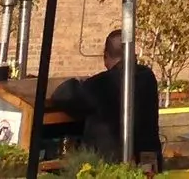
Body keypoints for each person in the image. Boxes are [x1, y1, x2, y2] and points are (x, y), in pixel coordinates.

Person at [66, 28, 163, 161]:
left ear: (105, 56)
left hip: (109, 164)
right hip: (148, 161)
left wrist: (77, 83)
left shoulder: (99, 83)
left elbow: (64, 97)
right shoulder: (147, 76)